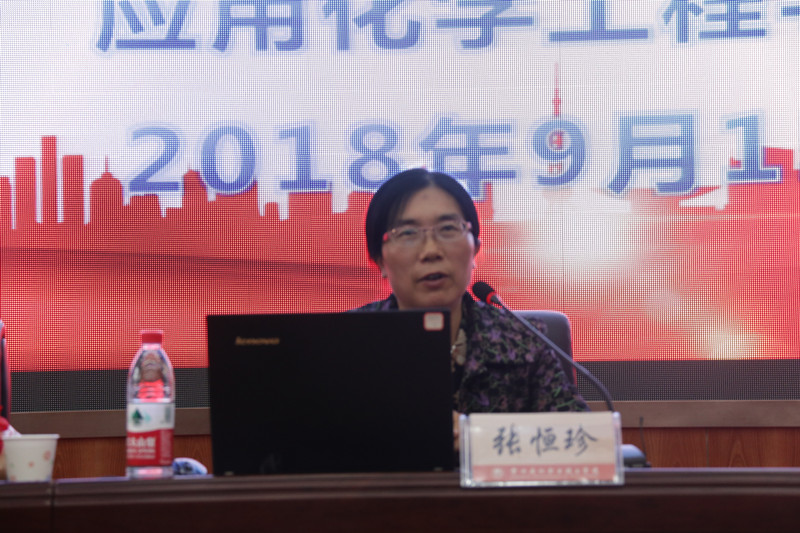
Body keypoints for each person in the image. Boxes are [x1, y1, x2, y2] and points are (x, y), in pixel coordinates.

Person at [356, 168, 588, 425]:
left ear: (475, 249)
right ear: (379, 260)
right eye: (408, 233)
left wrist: (476, 439)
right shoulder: (347, 343)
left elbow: (577, 437)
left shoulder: (524, 341)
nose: (431, 251)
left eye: (447, 229)